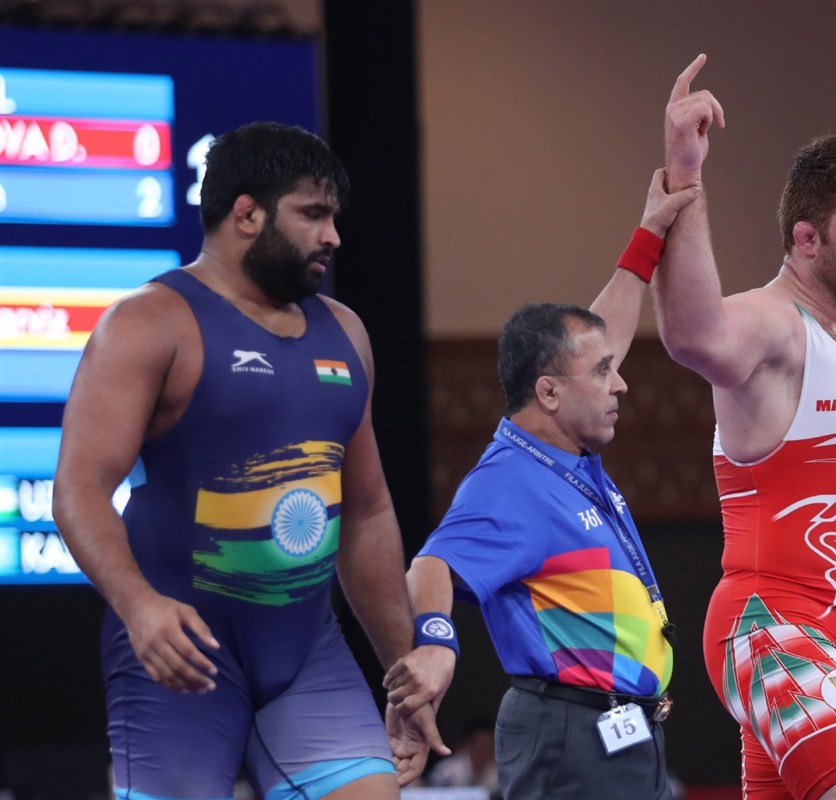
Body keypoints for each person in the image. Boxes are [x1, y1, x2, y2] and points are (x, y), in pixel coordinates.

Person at [52, 122, 440, 799]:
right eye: (313, 214)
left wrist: (403, 674)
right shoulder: (149, 323)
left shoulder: (345, 333)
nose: (332, 236)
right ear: (246, 213)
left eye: (334, 218)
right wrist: (140, 608)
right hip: (180, 654)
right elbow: (79, 488)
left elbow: (367, 510)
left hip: (307, 654)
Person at [381, 169, 699, 798]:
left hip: (622, 732)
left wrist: (651, 231)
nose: (621, 383)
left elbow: (604, 331)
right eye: (604, 372)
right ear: (548, 392)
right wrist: (437, 645)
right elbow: (429, 567)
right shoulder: (509, 481)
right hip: (573, 736)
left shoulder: (567, 453)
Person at [653, 55, 836, 800]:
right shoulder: (775, 324)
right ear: (806, 239)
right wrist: (685, 173)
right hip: (773, 627)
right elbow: (693, 335)